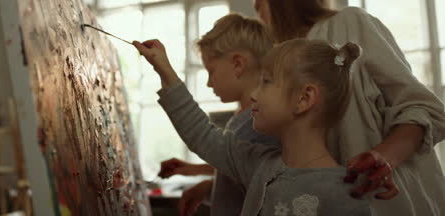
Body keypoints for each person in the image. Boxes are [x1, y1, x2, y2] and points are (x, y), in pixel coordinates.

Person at [251, 0, 445, 215]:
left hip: (391, 202)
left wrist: (383, 157)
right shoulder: (286, 66)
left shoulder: (349, 23)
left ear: (282, 1)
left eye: (259, 6)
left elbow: (425, 109)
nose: (259, 19)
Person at [133, 37, 375, 215]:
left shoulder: (346, 196)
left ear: (303, 99)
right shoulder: (258, 164)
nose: (254, 95)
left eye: (266, 83)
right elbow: (202, 134)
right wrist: (164, 69)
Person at [157, 13, 279, 216]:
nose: (209, 82)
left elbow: (261, 192)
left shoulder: (259, 125)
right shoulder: (244, 120)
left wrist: (165, 71)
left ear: (238, 64)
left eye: (211, 71)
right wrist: (206, 186)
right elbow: (242, 180)